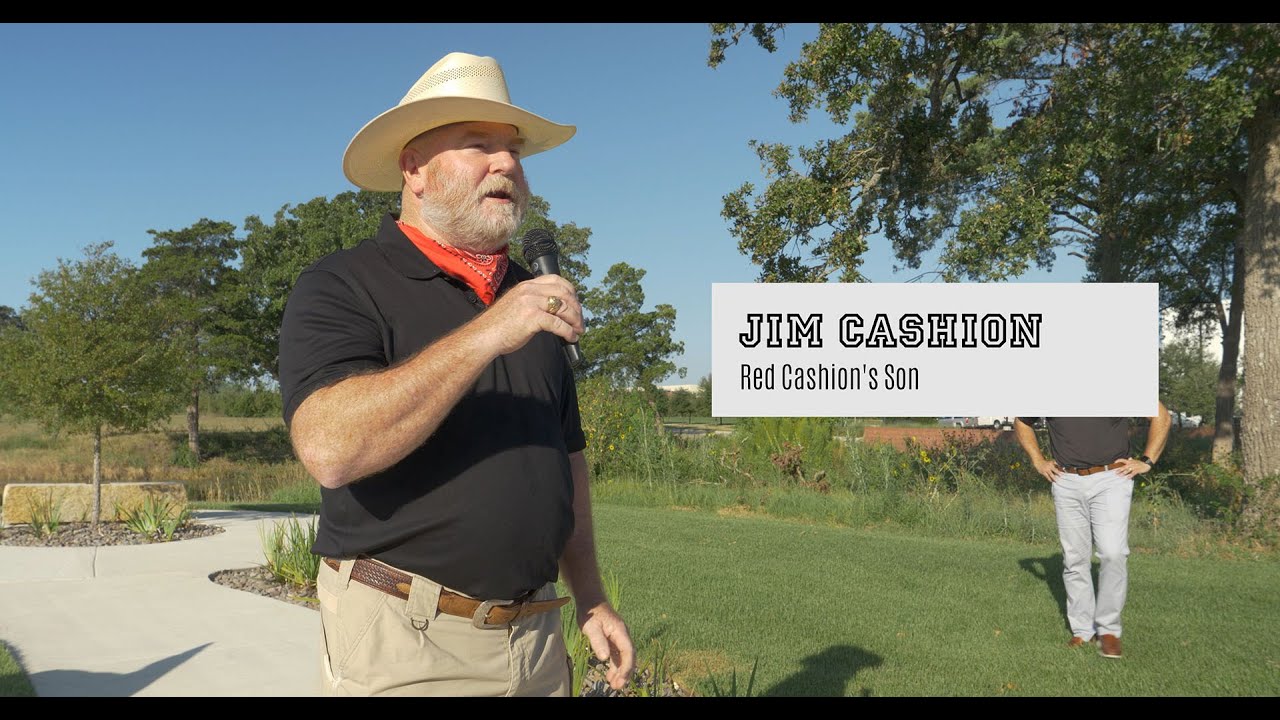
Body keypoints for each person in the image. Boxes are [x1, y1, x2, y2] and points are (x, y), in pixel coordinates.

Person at [278, 51, 634, 696]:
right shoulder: (342, 284)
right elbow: (329, 448)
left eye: (513, 151)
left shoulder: (534, 294)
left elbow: (567, 461)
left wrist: (592, 597)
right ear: (414, 169)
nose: (507, 165)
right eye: (480, 146)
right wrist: (490, 333)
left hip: (537, 637)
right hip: (407, 637)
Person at [1013, 404, 1171, 659]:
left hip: (1112, 477)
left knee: (1113, 553)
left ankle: (1108, 630)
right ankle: (1082, 629)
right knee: (1074, 557)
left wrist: (1147, 461)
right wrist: (1038, 461)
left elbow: (1161, 416)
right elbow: (1022, 421)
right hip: (1065, 480)